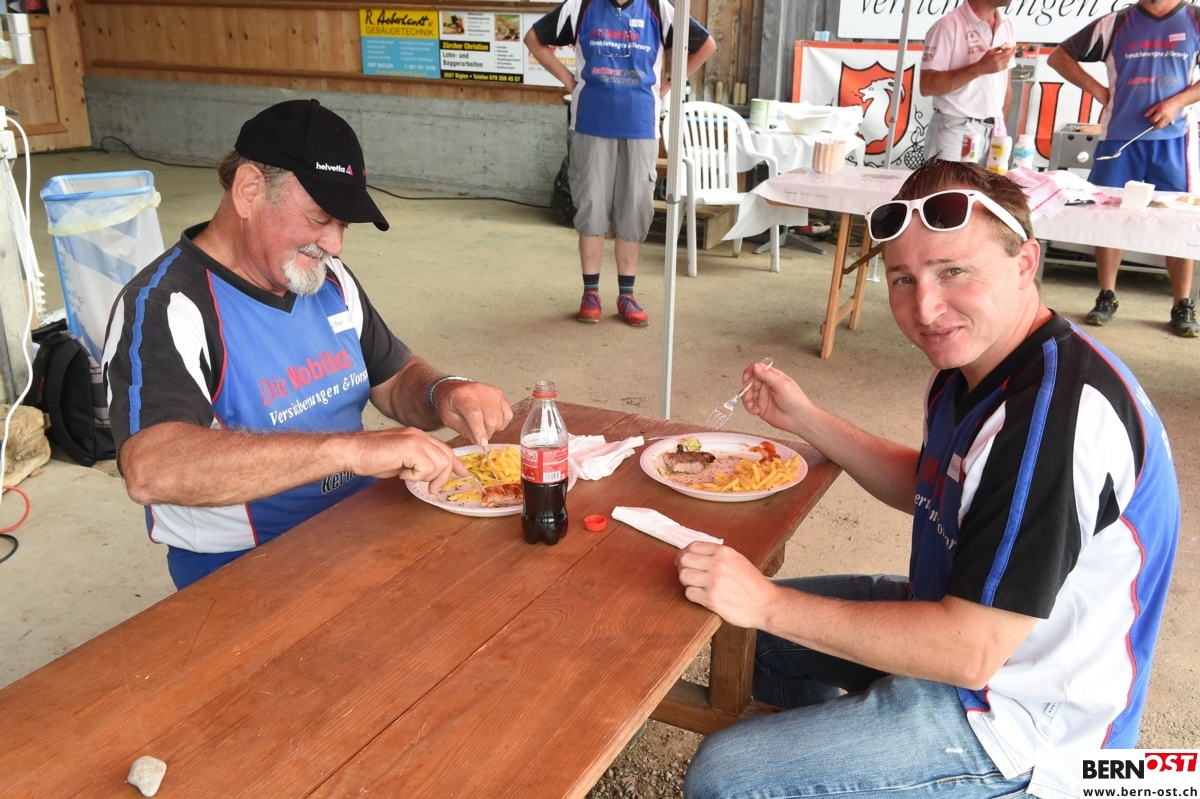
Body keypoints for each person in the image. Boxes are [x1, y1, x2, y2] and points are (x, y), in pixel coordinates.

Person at [677, 159, 1180, 799]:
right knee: (761, 641)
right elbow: (935, 484)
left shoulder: (1055, 419)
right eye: (903, 279)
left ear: (1025, 262)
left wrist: (766, 601)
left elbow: (969, 651)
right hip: (967, 633)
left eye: (954, 272)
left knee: (727, 774)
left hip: (1027, 721)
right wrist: (803, 418)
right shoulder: (978, 364)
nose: (926, 307)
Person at [102, 99, 513, 590]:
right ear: (249, 191)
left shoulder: (325, 276)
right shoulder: (166, 305)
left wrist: (444, 391)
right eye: (320, 218)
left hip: (365, 521)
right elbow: (153, 468)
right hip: (244, 565)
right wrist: (349, 451)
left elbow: (394, 377)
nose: (335, 245)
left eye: (343, 225)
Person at [524, 0, 716, 327]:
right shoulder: (581, 5)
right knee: (591, 208)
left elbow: (706, 45)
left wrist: (667, 83)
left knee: (633, 209)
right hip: (590, 124)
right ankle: (591, 293)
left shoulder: (659, 7)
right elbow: (534, 38)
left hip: (640, 126)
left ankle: (627, 295)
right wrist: (569, 80)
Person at [1048, 0, 1200, 337]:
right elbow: (1058, 57)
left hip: (1173, 140)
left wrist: (1177, 102)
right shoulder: (1115, 22)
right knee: (1108, 216)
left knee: (1179, 218)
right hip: (1117, 138)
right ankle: (1106, 295)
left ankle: (1183, 303)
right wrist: (1098, 91)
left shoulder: (1195, 18)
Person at [919, 0, 1016, 164]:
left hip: (994, 132)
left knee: (987, 183)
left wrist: (1000, 126)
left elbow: (1005, 84)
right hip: (955, 129)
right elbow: (927, 85)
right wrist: (979, 68)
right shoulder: (947, 26)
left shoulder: (1007, 24)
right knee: (949, 182)